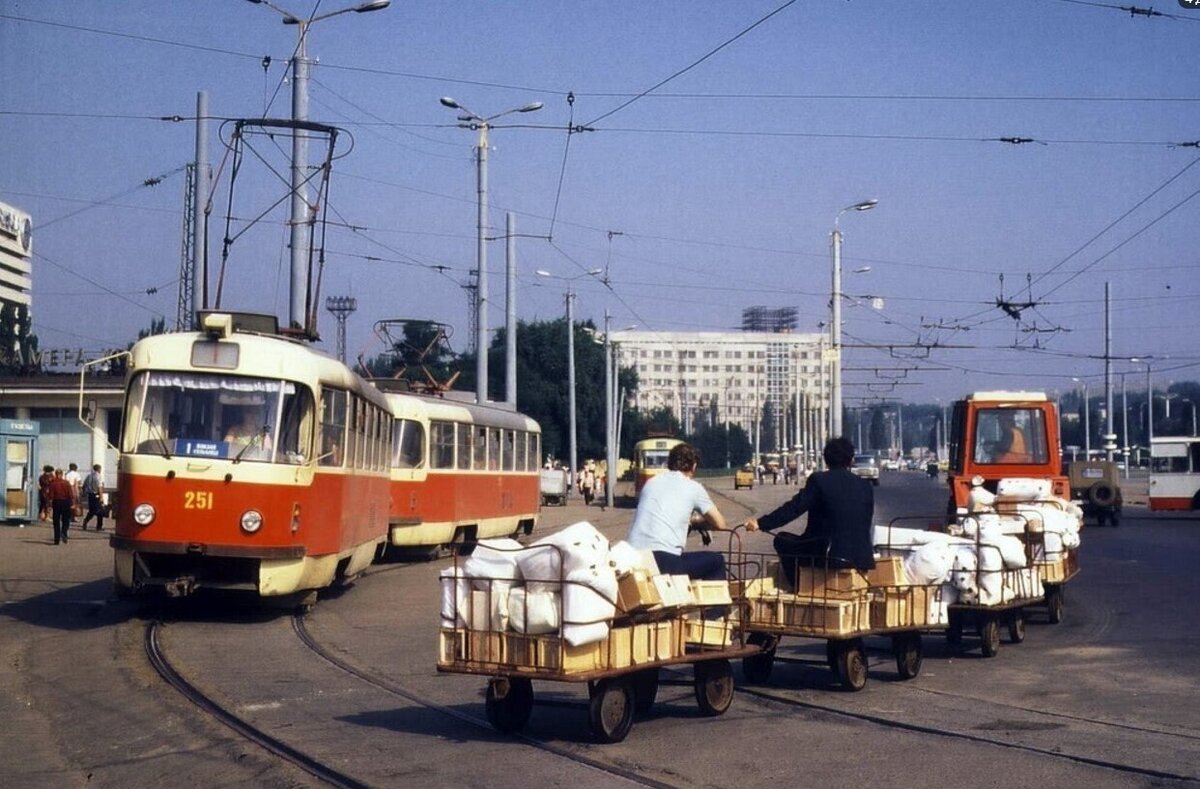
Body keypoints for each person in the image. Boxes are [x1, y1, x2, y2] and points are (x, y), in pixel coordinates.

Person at [742, 437, 875, 588]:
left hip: (827, 554)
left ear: (825, 460)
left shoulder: (819, 480)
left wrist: (761, 523)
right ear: (851, 460)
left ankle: (800, 587)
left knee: (781, 539)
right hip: (861, 558)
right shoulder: (865, 486)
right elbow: (866, 519)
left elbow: (794, 509)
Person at [626, 442, 754, 581]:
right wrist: (697, 522)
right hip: (664, 561)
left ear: (670, 464)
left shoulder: (651, 483)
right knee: (716, 562)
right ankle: (717, 603)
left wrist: (689, 521)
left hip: (634, 558)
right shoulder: (694, 487)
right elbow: (720, 524)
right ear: (693, 466)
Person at [48, 468, 75, 545]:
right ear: (62, 474)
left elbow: (51, 495)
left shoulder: (53, 483)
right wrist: (72, 503)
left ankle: (56, 540)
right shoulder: (66, 483)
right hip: (66, 502)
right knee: (66, 520)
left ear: (56, 474)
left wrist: (50, 505)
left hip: (56, 502)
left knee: (56, 521)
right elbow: (71, 494)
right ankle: (64, 532)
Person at [80, 464, 105, 532]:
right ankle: (98, 526)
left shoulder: (89, 476)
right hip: (96, 494)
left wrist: (84, 493)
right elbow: (100, 487)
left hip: (90, 495)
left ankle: (87, 521)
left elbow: (84, 485)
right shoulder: (99, 476)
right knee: (99, 511)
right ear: (99, 469)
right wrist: (101, 497)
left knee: (92, 510)